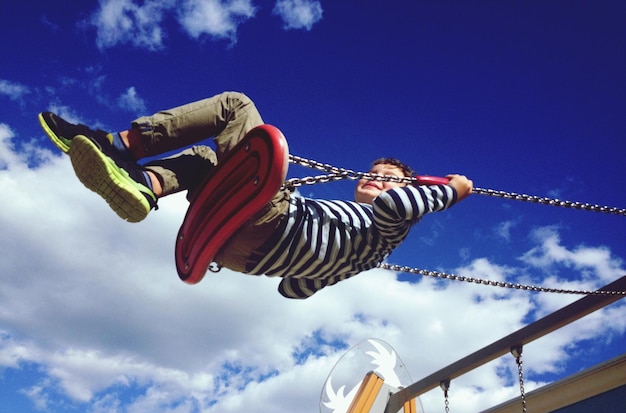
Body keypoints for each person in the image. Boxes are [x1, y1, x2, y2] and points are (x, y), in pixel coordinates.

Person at [39, 91, 473, 299]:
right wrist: (316, 257)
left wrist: (451, 190)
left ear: (411, 192)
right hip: (237, 256)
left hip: (271, 222)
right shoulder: (362, 256)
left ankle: (116, 144)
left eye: (387, 177)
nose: (376, 180)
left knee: (235, 106)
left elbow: (397, 204)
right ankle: (143, 186)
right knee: (204, 161)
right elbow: (294, 290)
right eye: (372, 173)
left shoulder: (389, 225)